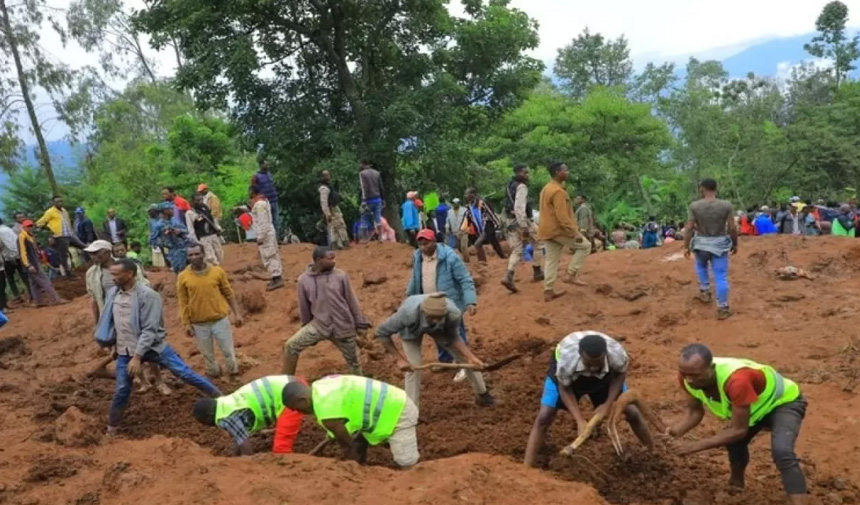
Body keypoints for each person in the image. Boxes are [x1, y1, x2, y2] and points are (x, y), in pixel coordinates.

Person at [668, 344, 808, 505]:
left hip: (783, 403)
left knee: (782, 451)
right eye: (684, 374)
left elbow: (738, 430)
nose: (689, 380)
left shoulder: (736, 381)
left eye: (695, 375)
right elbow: (695, 412)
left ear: (711, 368)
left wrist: (694, 446)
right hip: (753, 411)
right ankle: (736, 487)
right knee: (734, 445)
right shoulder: (687, 378)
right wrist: (676, 431)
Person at [95, 259, 221, 434]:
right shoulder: (112, 294)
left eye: (116, 274)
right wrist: (115, 345)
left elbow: (149, 330)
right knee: (122, 388)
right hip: (126, 349)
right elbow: (115, 323)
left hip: (153, 347)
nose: (112, 278)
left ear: (129, 274)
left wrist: (137, 357)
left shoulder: (148, 296)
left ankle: (221, 397)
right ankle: (112, 428)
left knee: (184, 373)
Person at [524, 332, 654, 466]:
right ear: (580, 354)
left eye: (597, 364)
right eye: (589, 364)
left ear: (605, 354)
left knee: (632, 412)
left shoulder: (617, 354)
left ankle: (652, 454)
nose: (592, 368)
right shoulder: (566, 361)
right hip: (569, 379)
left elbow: (620, 375)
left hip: (605, 377)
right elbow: (565, 389)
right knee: (545, 416)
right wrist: (579, 420)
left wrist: (607, 404)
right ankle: (526, 467)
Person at [375, 293, 494, 407]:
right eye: (432, 317)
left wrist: (472, 358)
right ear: (423, 312)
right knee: (413, 366)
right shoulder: (407, 313)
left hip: (440, 330)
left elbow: (454, 338)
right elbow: (381, 333)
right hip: (411, 330)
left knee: (465, 360)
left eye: (439, 318)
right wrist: (399, 359)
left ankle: (483, 395)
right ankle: (410, 409)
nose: (436, 320)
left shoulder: (453, 314)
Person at [282, 375, 420, 468]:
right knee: (360, 441)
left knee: (407, 462)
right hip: (391, 397)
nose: (299, 413)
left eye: (296, 409)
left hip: (398, 412)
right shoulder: (321, 385)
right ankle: (362, 467)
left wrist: (348, 469)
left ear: (303, 401)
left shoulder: (326, 413)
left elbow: (348, 446)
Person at [283, 246, 369, 376]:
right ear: (318, 260)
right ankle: (286, 383)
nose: (334, 261)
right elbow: (304, 306)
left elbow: (352, 301)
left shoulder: (340, 276)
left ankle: (361, 390)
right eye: (331, 258)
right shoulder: (303, 280)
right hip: (319, 325)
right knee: (291, 347)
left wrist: (360, 323)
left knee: (354, 362)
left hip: (343, 327)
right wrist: (306, 327)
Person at [408, 229, 476, 372]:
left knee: (456, 334)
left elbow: (465, 279)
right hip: (430, 305)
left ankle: (463, 365)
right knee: (437, 331)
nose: (423, 247)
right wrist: (409, 300)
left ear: (435, 242)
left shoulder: (450, 257)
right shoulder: (418, 258)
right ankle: (445, 360)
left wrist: (470, 301)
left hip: (450, 304)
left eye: (426, 244)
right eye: (420, 244)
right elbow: (415, 280)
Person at [191, 375, 306, 456]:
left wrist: (248, 466)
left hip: (292, 398)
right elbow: (238, 437)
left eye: (204, 422)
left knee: (281, 449)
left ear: (209, 416)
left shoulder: (225, 417)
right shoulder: (225, 403)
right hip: (292, 384)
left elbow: (245, 445)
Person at [178, 244, 243, 382]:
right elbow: (183, 302)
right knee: (207, 354)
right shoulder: (183, 277)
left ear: (203, 254)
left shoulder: (217, 271)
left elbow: (228, 293)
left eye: (196, 254)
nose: (194, 257)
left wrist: (237, 313)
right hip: (198, 323)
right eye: (190, 255)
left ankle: (233, 373)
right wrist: (186, 324)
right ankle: (214, 376)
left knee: (227, 350)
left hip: (219, 318)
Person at [684, 179, 737, 321]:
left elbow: (689, 227)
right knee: (720, 276)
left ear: (702, 189)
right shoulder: (726, 205)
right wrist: (735, 243)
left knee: (701, 266)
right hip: (720, 243)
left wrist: (686, 246)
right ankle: (723, 308)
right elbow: (732, 227)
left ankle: (705, 290)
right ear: (716, 188)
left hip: (701, 243)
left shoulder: (695, 206)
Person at [538, 162, 590, 301]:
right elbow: (562, 216)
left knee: (551, 260)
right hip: (558, 231)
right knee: (585, 246)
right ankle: (571, 274)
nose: (567, 172)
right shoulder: (558, 191)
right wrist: (575, 233)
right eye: (565, 170)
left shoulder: (546, 189)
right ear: (557, 172)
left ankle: (548, 290)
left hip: (546, 231)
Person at [501, 165, 544, 293]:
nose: (527, 175)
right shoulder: (521, 186)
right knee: (539, 243)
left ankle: (509, 275)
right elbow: (519, 207)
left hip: (510, 221)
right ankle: (537, 271)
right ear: (519, 173)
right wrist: (524, 226)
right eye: (525, 173)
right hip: (521, 221)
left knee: (517, 249)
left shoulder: (509, 185)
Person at [17, 220, 65, 307]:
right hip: (32, 264)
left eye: (31, 226)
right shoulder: (22, 237)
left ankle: (38, 302)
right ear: (23, 227)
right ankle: (55, 299)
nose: (30, 228)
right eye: (28, 226)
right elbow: (22, 253)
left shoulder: (29, 236)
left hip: (34, 262)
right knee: (45, 281)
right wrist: (28, 265)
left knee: (34, 284)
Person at [36, 195, 85, 277]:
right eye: (57, 202)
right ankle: (69, 274)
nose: (59, 203)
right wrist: (50, 230)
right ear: (53, 203)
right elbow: (39, 223)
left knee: (83, 246)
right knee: (64, 255)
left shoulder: (64, 211)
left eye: (61, 201)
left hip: (69, 234)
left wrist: (72, 231)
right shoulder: (50, 212)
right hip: (60, 236)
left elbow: (67, 222)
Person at [249, 185, 285, 291]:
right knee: (272, 254)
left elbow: (263, 221)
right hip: (268, 232)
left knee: (269, 255)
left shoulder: (259, 204)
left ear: (253, 192)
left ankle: (277, 278)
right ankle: (275, 277)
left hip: (265, 233)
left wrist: (260, 237)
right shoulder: (263, 201)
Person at [463, 188, 505, 263]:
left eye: (467, 194)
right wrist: (463, 229)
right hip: (480, 228)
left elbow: (491, 213)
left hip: (488, 224)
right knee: (493, 241)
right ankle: (499, 257)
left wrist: (497, 223)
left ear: (473, 194)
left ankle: (484, 261)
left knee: (478, 243)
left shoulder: (482, 203)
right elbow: (467, 218)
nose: (465, 196)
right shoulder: (469, 206)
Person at [151, 203, 190, 274]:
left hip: (184, 247)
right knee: (178, 271)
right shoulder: (159, 225)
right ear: (165, 211)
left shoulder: (176, 220)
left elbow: (186, 230)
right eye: (170, 209)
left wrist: (179, 231)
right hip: (172, 251)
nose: (172, 211)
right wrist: (165, 243)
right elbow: (152, 240)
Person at [186, 192, 224, 265]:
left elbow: (212, 220)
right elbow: (190, 229)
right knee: (210, 258)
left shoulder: (205, 209)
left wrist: (218, 230)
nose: (200, 202)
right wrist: (196, 242)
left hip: (213, 235)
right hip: (203, 238)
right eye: (198, 200)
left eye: (201, 200)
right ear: (192, 201)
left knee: (220, 255)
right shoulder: (190, 213)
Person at [0, 217, 29, 302]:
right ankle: (31, 293)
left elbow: (3, 245)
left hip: (8, 257)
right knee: (24, 275)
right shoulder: (8, 229)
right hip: (18, 255)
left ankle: (17, 295)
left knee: (10, 277)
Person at [319, 170, 349, 250]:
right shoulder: (324, 188)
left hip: (334, 207)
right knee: (339, 225)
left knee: (336, 227)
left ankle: (338, 245)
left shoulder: (329, 186)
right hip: (331, 209)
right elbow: (324, 202)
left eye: (328, 175)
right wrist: (327, 213)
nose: (327, 177)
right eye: (325, 175)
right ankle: (342, 243)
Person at [358, 160, 385, 239]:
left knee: (364, 217)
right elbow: (381, 187)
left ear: (363, 164)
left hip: (368, 200)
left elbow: (364, 188)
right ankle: (380, 237)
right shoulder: (377, 173)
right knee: (377, 218)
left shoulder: (362, 174)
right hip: (378, 199)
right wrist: (383, 199)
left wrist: (364, 201)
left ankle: (364, 239)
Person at [251, 156, 280, 226]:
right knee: (268, 222)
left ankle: (276, 236)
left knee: (276, 221)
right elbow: (253, 190)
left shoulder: (269, 174)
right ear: (261, 165)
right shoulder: (256, 176)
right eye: (266, 164)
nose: (267, 166)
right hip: (265, 203)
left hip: (274, 201)